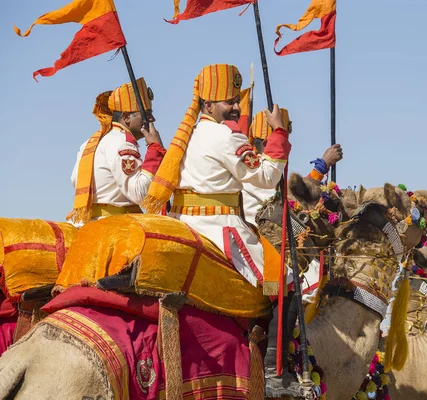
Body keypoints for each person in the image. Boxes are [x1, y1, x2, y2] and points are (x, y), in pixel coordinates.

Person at [142, 64, 302, 397]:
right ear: (209, 105)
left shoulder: (188, 134)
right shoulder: (226, 136)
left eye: (235, 100)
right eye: (228, 101)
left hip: (184, 225)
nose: (235, 106)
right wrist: (278, 134)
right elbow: (266, 177)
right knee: (286, 280)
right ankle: (275, 372)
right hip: (218, 228)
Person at [68, 78, 165, 224]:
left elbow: (74, 180)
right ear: (126, 117)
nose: (152, 119)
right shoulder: (123, 143)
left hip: (88, 224)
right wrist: (154, 150)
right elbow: (140, 194)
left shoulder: (90, 142)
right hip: (115, 228)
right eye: (146, 114)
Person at [242, 108, 343, 224]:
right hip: (260, 238)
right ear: (267, 144)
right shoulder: (256, 169)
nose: (288, 147)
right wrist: (321, 166)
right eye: (283, 142)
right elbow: (293, 197)